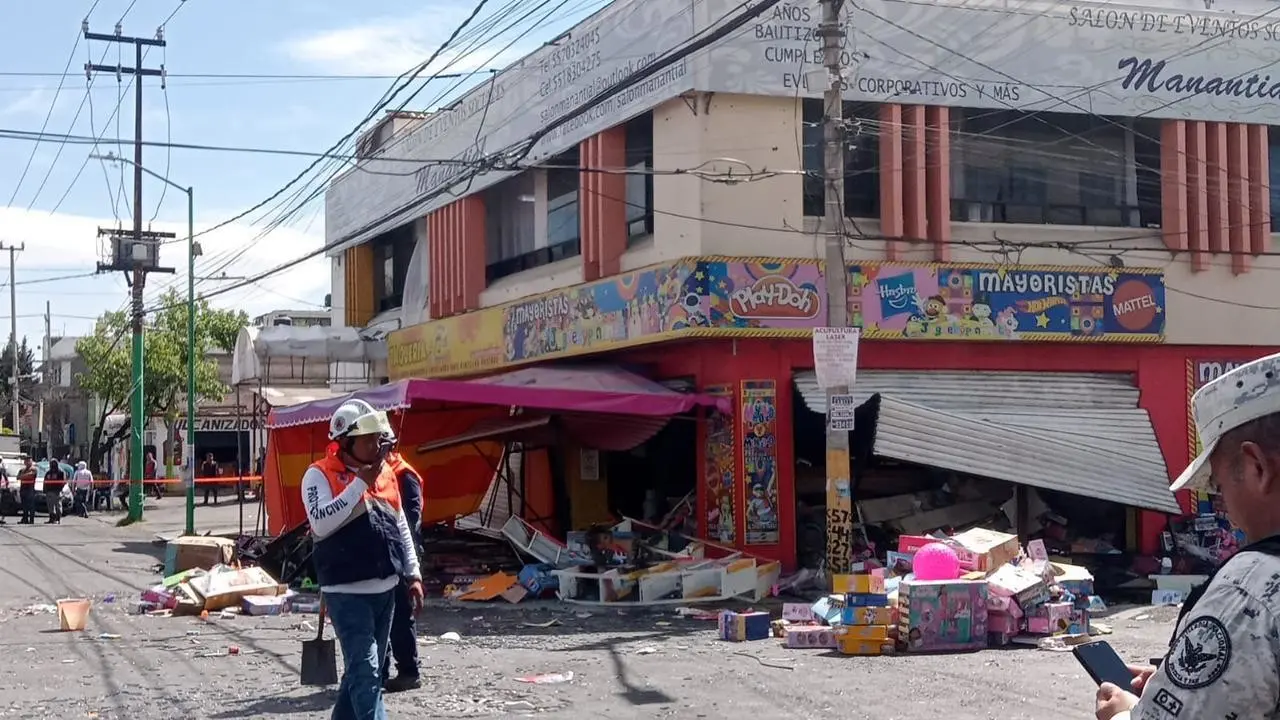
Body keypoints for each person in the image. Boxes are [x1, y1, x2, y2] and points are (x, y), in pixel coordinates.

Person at [1095, 352, 1280, 720]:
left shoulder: (1248, 591)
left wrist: (1125, 712)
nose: (1223, 503)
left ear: (1256, 467)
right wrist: (1178, 689)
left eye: (1218, 484)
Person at [302, 399, 423, 720]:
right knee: (368, 674)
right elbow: (321, 522)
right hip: (346, 593)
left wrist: (413, 574)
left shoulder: (387, 474)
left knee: (358, 673)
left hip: (386, 591)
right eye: (369, 439)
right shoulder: (317, 475)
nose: (376, 445)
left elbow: (400, 526)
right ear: (345, 441)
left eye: (377, 438)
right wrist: (359, 485)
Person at [381, 450, 424, 692]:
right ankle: (380, 671)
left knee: (400, 616)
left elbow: (410, 520)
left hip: (401, 555)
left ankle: (409, 670)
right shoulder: (378, 474)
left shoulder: (403, 475)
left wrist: (411, 568)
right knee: (381, 617)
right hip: (385, 555)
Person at [43, 458, 65, 524]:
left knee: (58, 506)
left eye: (54, 463)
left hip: (57, 492)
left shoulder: (60, 472)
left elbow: (63, 482)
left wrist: (60, 489)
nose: (52, 465)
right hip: (49, 491)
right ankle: (52, 519)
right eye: (51, 463)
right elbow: (45, 482)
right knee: (50, 507)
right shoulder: (48, 472)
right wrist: (44, 490)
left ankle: (58, 519)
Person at [17, 457, 37, 525]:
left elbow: (31, 475)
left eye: (29, 461)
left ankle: (31, 520)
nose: (27, 462)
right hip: (23, 488)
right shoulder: (22, 470)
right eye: (26, 461)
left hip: (30, 489)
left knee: (31, 505)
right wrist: (24, 476)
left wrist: (23, 476)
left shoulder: (34, 469)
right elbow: (18, 477)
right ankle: (25, 519)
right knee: (24, 505)